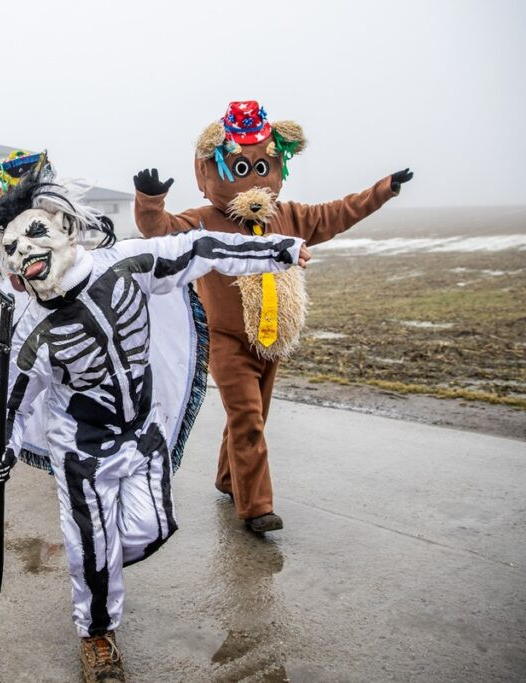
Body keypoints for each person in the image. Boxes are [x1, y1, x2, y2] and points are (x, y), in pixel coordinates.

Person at [0, 176, 309, 682]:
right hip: (80, 452)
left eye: (35, 233)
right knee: (92, 546)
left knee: (149, 530)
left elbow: (199, 247)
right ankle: (97, 636)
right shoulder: (30, 329)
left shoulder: (129, 265)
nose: (24, 251)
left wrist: (275, 251)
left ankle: (98, 570)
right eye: (12, 249)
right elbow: (12, 401)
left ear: (67, 228)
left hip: (142, 436)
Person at [133, 100, 412, 533]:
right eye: (241, 170)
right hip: (226, 339)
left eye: (264, 168)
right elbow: (162, 232)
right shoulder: (206, 221)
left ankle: (230, 479)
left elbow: (338, 213)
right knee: (247, 419)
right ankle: (257, 508)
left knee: (250, 415)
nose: (255, 180)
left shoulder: (288, 216)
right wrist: (150, 202)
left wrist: (383, 189)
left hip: (271, 338)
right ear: (210, 171)